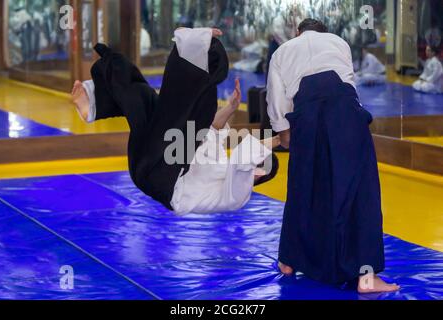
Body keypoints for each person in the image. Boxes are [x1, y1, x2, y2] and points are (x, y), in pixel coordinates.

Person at [72, 27, 279, 215]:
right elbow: (212, 133)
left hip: (166, 179)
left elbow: (243, 159)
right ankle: (94, 103)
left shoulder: (239, 195)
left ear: (260, 171)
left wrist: (279, 140)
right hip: (152, 167)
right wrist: (231, 107)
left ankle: (191, 50)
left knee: (196, 109)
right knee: (147, 101)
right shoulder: (222, 168)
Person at [267, 18, 400, 293]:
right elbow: (349, 85)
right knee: (359, 190)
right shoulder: (339, 42)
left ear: (297, 32)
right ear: (324, 33)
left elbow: (276, 100)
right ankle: (366, 276)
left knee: (303, 186)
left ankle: (289, 261)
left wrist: (285, 134)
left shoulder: (283, 51)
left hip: (305, 114)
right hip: (344, 113)